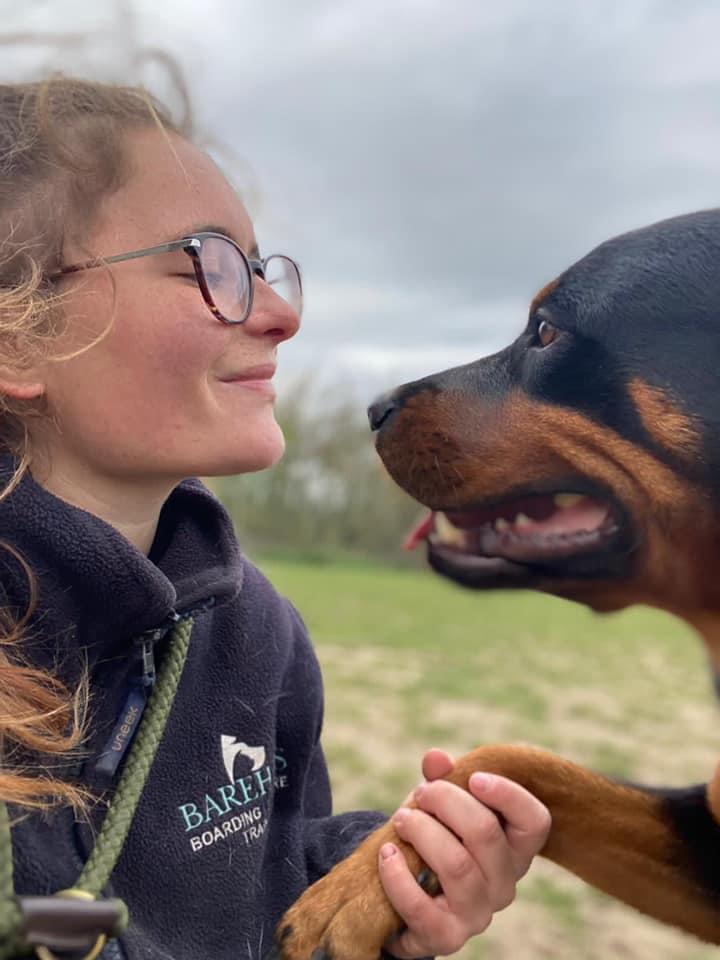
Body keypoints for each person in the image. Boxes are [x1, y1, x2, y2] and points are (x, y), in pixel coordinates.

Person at [0, 75, 550, 960]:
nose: (284, 316)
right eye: (210, 263)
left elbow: (269, 878)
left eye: (262, 268)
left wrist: (377, 880)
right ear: (20, 336)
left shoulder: (259, 633)